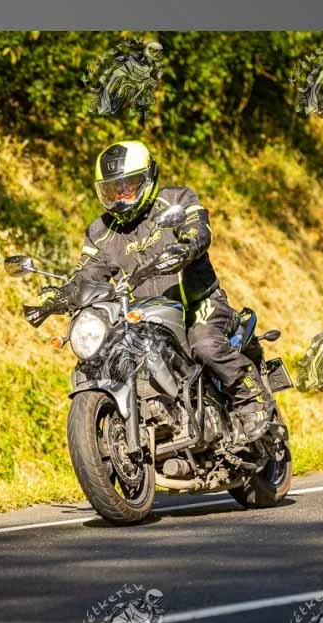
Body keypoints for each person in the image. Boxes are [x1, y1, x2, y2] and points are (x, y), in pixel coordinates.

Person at [61, 140, 275, 441]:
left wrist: (187, 244)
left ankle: (251, 398)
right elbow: (87, 272)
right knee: (105, 357)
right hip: (145, 318)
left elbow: (198, 228)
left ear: (147, 178)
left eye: (127, 187)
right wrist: (60, 293)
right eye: (112, 190)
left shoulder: (175, 199)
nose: (120, 197)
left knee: (205, 345)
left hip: (198, 304)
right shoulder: (101, 231)